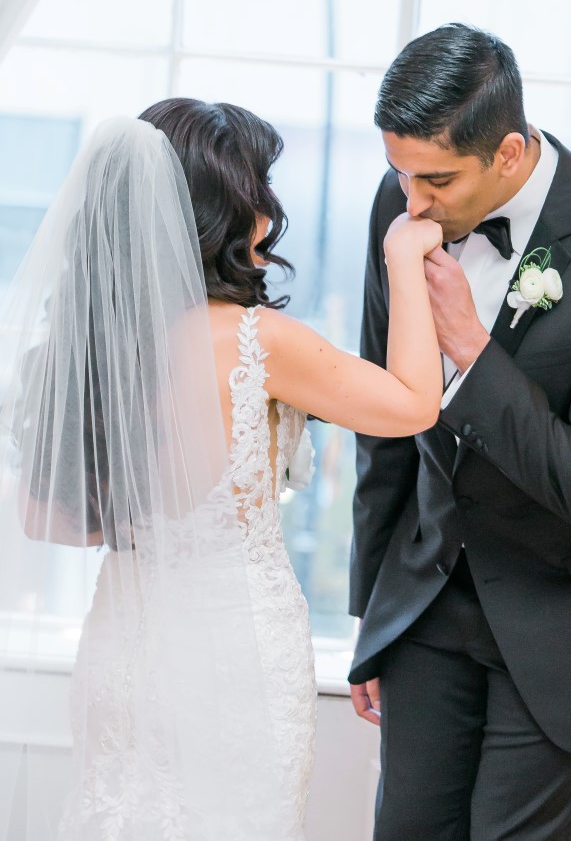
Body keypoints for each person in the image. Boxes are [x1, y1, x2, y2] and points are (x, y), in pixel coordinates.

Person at [0, 99, 443, 840]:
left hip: (122, 648)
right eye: (256, 196)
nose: (269, 216)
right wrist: (402, 257)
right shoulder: (252, 339)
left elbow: (46, 520)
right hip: (233, 658)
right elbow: (411, 405)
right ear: (215, 215)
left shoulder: (95, 345)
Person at [348, 24, 571, 840]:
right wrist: (372, 614)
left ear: (508, 153)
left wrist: (471, 346)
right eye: (400, 174)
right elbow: (384, 426)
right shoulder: (397, 202)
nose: (413, 203)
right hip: (433, 593)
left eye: (435, 179)